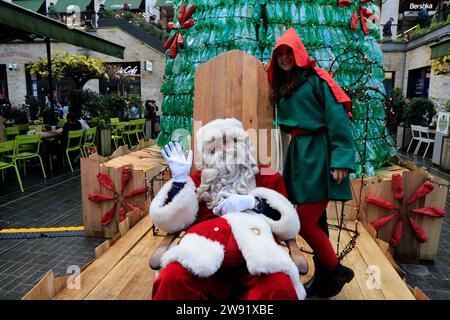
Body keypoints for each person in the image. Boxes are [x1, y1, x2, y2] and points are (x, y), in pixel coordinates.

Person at [150, 118, 306, 300]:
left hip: (257, 257)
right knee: (172, 279)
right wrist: (178, 182)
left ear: (242, 143)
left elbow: (287, 224)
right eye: (214, 145)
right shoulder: (199, 179)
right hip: (201, 255)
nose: (223, 149)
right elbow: (172, 221)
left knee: (278, 285)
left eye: (227, 141)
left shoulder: (268, 177)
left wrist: (254, 203)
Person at [267, 28, 355, 298]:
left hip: (320, 151)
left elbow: (338, 117)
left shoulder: (317, 79)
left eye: (288, 52)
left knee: (304, 222)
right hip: (300, 152)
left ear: (299, 53)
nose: (284, 58)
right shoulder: (283, 82)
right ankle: (325, 279)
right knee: (318, 222)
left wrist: (341, 158)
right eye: (279, 54)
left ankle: (336, 269)